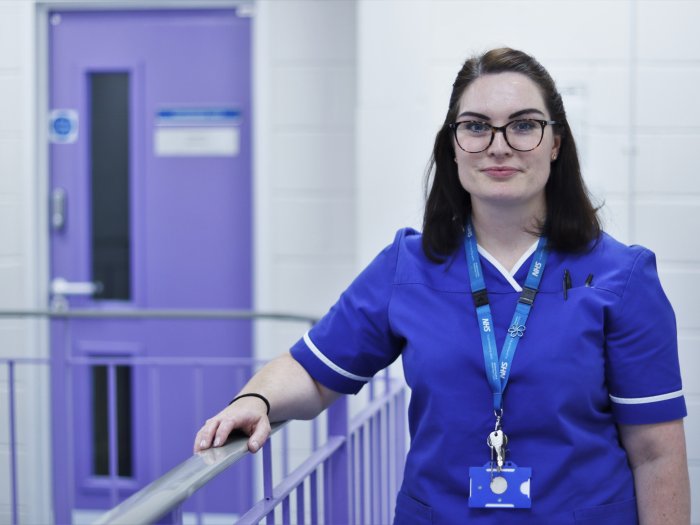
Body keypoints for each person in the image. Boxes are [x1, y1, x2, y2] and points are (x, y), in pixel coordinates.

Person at [194, 48, 690, 524]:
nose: (499, 145)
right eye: (475, 126)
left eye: (523, 125)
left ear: (556, 143)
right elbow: (314, 372)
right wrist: (254, 400)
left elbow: (656, 454)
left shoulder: (620, 277)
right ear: (453, 144)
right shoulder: (406, 266)